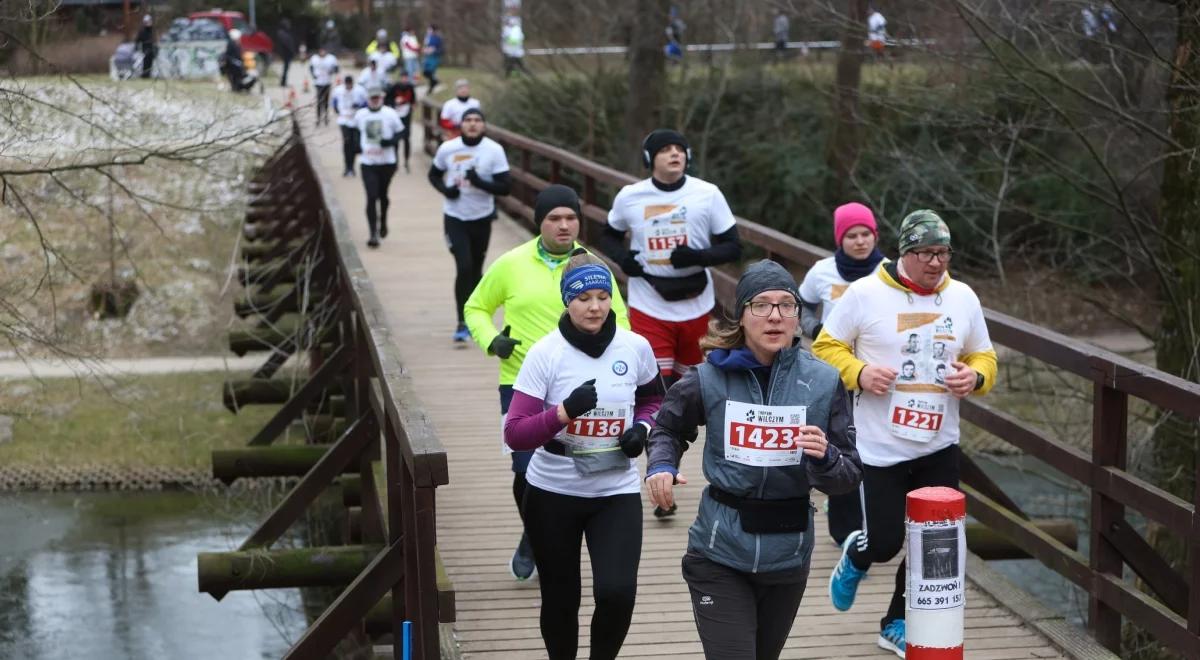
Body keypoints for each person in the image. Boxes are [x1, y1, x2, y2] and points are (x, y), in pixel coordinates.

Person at [645, 259, 863, 660]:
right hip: (719, 550)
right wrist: (662, 465)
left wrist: (826, 458)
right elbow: (668, 429)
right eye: (762, 304)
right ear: (742, 314)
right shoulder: (708, 377)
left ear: (799, 315)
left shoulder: (823, 381)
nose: (775, 315)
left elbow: (848, 476)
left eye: (787, 305)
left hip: (789, 551)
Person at [814, 209, 998, 658]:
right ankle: (857, 557)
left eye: (943, 253)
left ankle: (896, 620)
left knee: (932, 541)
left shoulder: (963, 298)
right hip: (880, 446)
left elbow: (985, 357)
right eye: (926, 253)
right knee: (885, 542)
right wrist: (859, 372)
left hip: (938, 443)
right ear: (905, 252)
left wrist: (973, 379)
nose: (936, 263)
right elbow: (824, 346)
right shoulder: (865, 293)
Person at [464, 185, 631, 582]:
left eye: (571, 218)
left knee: (572, 460)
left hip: (581, 384)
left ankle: (544, 534)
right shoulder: (511, 263)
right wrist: (492, 341)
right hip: (522, 380)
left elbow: (620, 322)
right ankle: (533, 535)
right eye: (554, 218)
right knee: (524, 469)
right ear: (539, 222)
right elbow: (476, 307)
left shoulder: (594, 268)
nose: (563, 225)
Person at [503, 251, 663, 660]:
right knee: (561, 599)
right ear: (566, 301)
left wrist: (641, 430)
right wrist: (562, 413)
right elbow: (515, 433)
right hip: (553, 490)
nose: (594, 307)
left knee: (617, 592)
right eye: (583, 298)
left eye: (602, 296)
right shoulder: (546, 354)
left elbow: (654, 399)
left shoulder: (635, 346)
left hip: (616, 490)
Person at [602, 129, 741, 387]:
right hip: (649, 299)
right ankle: (654, 428)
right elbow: (608, 235)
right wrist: (623, 259)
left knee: (689, 384)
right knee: (654, 383)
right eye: (665, 150)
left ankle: (681, 428)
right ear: (649, 159)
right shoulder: (630, 196)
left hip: (696, 300)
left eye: (679, 149)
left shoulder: (708, 193)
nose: (674, 153)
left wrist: (698, 257)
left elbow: (733, 247)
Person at [797, 201, 884, 547]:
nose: (860, 241)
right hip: (834, 373)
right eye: (852, 235)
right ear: (839, 239)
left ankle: (878, 522)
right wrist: (814, 328)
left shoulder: (889, 272)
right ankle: (846, 529)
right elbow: (799, 303)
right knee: (842, 443)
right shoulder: (822, 271)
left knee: (875, 448)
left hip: (877, 374)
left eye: (866, 234)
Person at [427, 108, 511, 343]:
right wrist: (446, 190)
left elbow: (506, 187)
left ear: (483, 126)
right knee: (464, 266)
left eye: (477, 121)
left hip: (481, 217)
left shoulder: (493, 150)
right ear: (461, 125)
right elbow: (433, 175)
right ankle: (462, 322)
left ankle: (476, 317)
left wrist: (480, 182)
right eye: (468, 120)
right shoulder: (449, 148)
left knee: (475, 270)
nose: (472, 124)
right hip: (455, 217)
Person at [353, 85, 403, 248]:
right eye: (372, 98)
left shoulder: (390, 113)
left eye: (377, 98)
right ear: (367, 99)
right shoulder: (360, 115)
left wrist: (391, 142)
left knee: (383, 195)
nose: (375, 101)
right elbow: (354, 133)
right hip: (368, 162)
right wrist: (356, 147)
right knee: (371, 196)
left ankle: (383, 221)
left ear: (381, 98)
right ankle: (373, 233)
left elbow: (401, 132)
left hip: (387, 162)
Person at [332, 75, 367, 177]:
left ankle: (352, 165)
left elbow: (366, 102)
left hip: (356, 120)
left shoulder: (360, 90)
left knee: (356, 144)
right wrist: (337, 110)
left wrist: (359, 106)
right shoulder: (338, 90)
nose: (348, 86)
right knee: (347, 143)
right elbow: (334, 101)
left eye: (350, 84)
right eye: (347, 84)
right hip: (344, 120)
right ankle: (348, 167)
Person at [390, 71, 416, 172]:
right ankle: (395, 162)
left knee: (406, 139)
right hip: (396, 116)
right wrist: (395, 102)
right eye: (403, 77)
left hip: (406, 116)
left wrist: (411, 106)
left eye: (406, 77)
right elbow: (388, 99)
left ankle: (406, 161)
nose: (404, 79)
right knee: (396, 140)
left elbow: (413, 100)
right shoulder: (394, 87)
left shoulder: (410, 87)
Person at [308, 46, 338, 126]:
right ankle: (318, 118)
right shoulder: (314, 58)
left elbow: (336, 68)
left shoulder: (331, 59)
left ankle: (326, 117)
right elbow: (310, 67)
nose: (322, 53)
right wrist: (313, 75)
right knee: (319, 101)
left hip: (327, 82)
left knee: (326, 101)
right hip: (318, 83)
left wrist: (332, 71)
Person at [423, 24, 444, 94]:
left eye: (430, 29)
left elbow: (441, 49)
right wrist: (425, 50)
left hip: (434, 57)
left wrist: (434, 50)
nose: (428, 31)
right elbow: (426, 45)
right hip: (428, 57)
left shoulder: (438, 38)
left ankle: (431, 88)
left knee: (431, 72)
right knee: (425, 72)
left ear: (433, 30)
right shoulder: (428, 37)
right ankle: (435, 82)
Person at [275, 19, 296, 87]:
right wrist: (291, 51)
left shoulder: (284, 33)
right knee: (285, 68)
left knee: (286, 68)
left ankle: (283, 81)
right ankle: (283, 82)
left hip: (287, 53)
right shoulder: (282, 33)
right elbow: (286, 44)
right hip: (286, 53)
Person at [135, 15, 156, 79]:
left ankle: (148, 75)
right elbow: (137, 41)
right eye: (147, 22)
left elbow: (154, 40)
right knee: (145, 63)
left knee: (150, 63)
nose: (149, 23)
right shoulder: (142, 31)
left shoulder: (152, 30)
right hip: (145, 49)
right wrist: (137, 49)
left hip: (151, 49)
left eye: (149, 21)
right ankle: (144, 75)